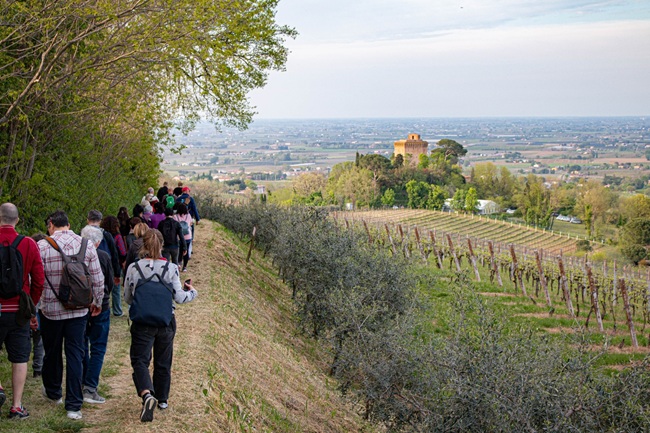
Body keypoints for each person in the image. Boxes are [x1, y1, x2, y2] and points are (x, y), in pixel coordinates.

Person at [124, 229, 197, 422]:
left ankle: (147, 393)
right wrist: (193, 292)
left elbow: (128, 298)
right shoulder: (171, 268)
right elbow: (179, 297)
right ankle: (162, 399)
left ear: (143, 245)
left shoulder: (134, 268)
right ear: (162, 245)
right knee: (163, 360)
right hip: (165, 320)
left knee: (140, 360)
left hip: (142, 322)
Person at [38, 210, 104, 420]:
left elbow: (36, 280)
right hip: (79, 309)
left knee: (52, 351)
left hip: (51, 310)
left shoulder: (42, 246)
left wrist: (36, 305)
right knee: (76, 354)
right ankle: (74, 406)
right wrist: (97, 302)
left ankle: (54, 392)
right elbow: (97, 277)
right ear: (68, 224)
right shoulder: (86, 245)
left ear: (51, 224)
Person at [0, 203, 44, 419]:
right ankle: (16, 406)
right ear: (17, 220)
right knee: (19, 357)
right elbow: (39, 280)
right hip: (19, 309)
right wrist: (30, 306)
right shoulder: (28, 243)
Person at [80, 226, 114, 404]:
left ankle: (83, 380)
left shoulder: (75, 255)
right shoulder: (103, 256)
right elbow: (109, 281)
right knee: (98, 347)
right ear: (98, 242)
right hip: (101, 305)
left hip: (80, 304)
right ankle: (90, 386)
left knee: (82, 344)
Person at [87, 210, 122, 316]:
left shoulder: (82, 234)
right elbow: (114, 254)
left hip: (87, 268)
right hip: (105, 267)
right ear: (100, 221)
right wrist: (117, 273)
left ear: (87, 220)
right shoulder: (106, 235)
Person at [101, 216, 127, 317]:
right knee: (116, 289)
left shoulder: (101, 235)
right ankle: (117, 310)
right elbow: (122, 251)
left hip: (102, 264)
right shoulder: (117, 236)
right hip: (114, 264)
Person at [172, 203, 193, 272]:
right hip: (188, 236)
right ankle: (185, 267)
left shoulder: (175, 216)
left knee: (179, 251)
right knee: (186, 251)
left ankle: (179, 264)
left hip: (179, 237)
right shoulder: (188, 216)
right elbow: (190, 223)